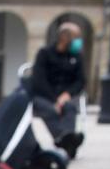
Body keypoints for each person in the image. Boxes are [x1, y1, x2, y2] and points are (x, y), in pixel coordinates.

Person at [26, 23, 85, 157]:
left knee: (70, 108)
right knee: (49, 110)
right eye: (76, 37)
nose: (78, 41)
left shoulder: (76, 57)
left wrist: (67, 95)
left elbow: (80, 81)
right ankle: (67, 141)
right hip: (44, 96)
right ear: (65, 37)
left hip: (66, 97)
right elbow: (39, 81)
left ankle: (66, 140)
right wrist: (54, 100)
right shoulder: (45, 54)